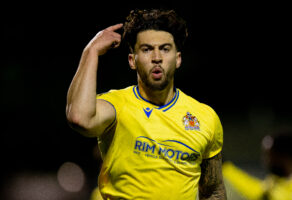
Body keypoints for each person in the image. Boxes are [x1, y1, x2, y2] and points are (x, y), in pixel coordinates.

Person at [66, 8, 227, 200]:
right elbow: (79, 117)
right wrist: (90, 51)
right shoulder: (116, 106)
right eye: (147, 49)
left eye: (165, 49)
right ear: (132, 60)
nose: (157, 57)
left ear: (178, 59)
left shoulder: (205, 118)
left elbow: (213, 190)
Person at [222, 129, 292, 200]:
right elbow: (253, 189)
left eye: (270, 156)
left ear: (285, 156)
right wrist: (225, 166)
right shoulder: (273, 184)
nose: (266, 160)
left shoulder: (275, 190)